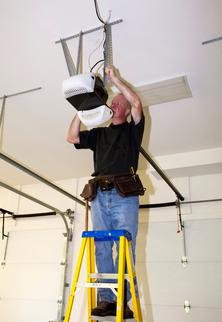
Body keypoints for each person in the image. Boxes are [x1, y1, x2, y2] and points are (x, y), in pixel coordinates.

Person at [67, 66, 145, 318]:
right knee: (101, 247)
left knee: (124, 245)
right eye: (113, 102)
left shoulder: (132, 131)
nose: (116, 104)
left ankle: (123, 298)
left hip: (124, 193)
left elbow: (136, 103)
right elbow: (72, 137)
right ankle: (106, 299)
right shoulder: (99, 134)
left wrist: (116, 80)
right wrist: (82, 109)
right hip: (99, 194)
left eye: (119, 102)